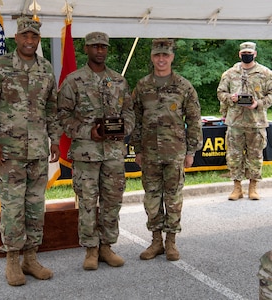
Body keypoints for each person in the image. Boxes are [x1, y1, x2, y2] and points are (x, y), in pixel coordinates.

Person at [0, 16, 61, 286]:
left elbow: (51, 108)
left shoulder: (45, 68)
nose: (29, 41)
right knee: (13, 208)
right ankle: (13, 260)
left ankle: (31, 258)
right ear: (16, 38)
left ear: (38, 40)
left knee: (35, 207)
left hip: (37, 151)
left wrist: (55, 140)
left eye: (34, 37)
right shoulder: (0, 67)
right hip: (8, 153)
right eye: (24, 35)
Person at [57, 32, 135, 270]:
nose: (100, 51)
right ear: (86, 49)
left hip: (113, 153)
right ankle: (91, 249)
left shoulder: (119, 81)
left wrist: (124, 129)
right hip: (86, 154)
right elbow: (62, 116)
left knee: (112, 201)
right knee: (89, 202)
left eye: (103, 47)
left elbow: (130, 112)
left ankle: (107, 247)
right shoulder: (73, 80)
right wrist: (86, 131)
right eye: (95, 47)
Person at [129, 38, 203, 261]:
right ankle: (155, 241)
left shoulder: (183, 86)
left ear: (172, 57)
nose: (161, 59)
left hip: (175, 151)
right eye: (157, 55)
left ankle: (171, 241)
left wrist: (191, 151)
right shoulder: (142, 86)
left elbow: (194, 119)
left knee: (173, 197)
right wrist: (137, 149)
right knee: (151, 197)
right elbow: (135, 119)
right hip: (149, 152)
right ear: (152, 57)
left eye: (166, 55)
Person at [217, 41, 272, 201]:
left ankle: (253, 188)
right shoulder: (230, 73)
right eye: (244, 53)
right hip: (235, 123)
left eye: (249, 53)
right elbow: (220, 92)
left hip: (256, 122)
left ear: (255, 54)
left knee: (255, 156)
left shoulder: (265, 73)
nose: (247, 55)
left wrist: (258, 103)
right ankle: (237, 188)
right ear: (240, 54)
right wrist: (230, 98)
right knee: (234, 156)